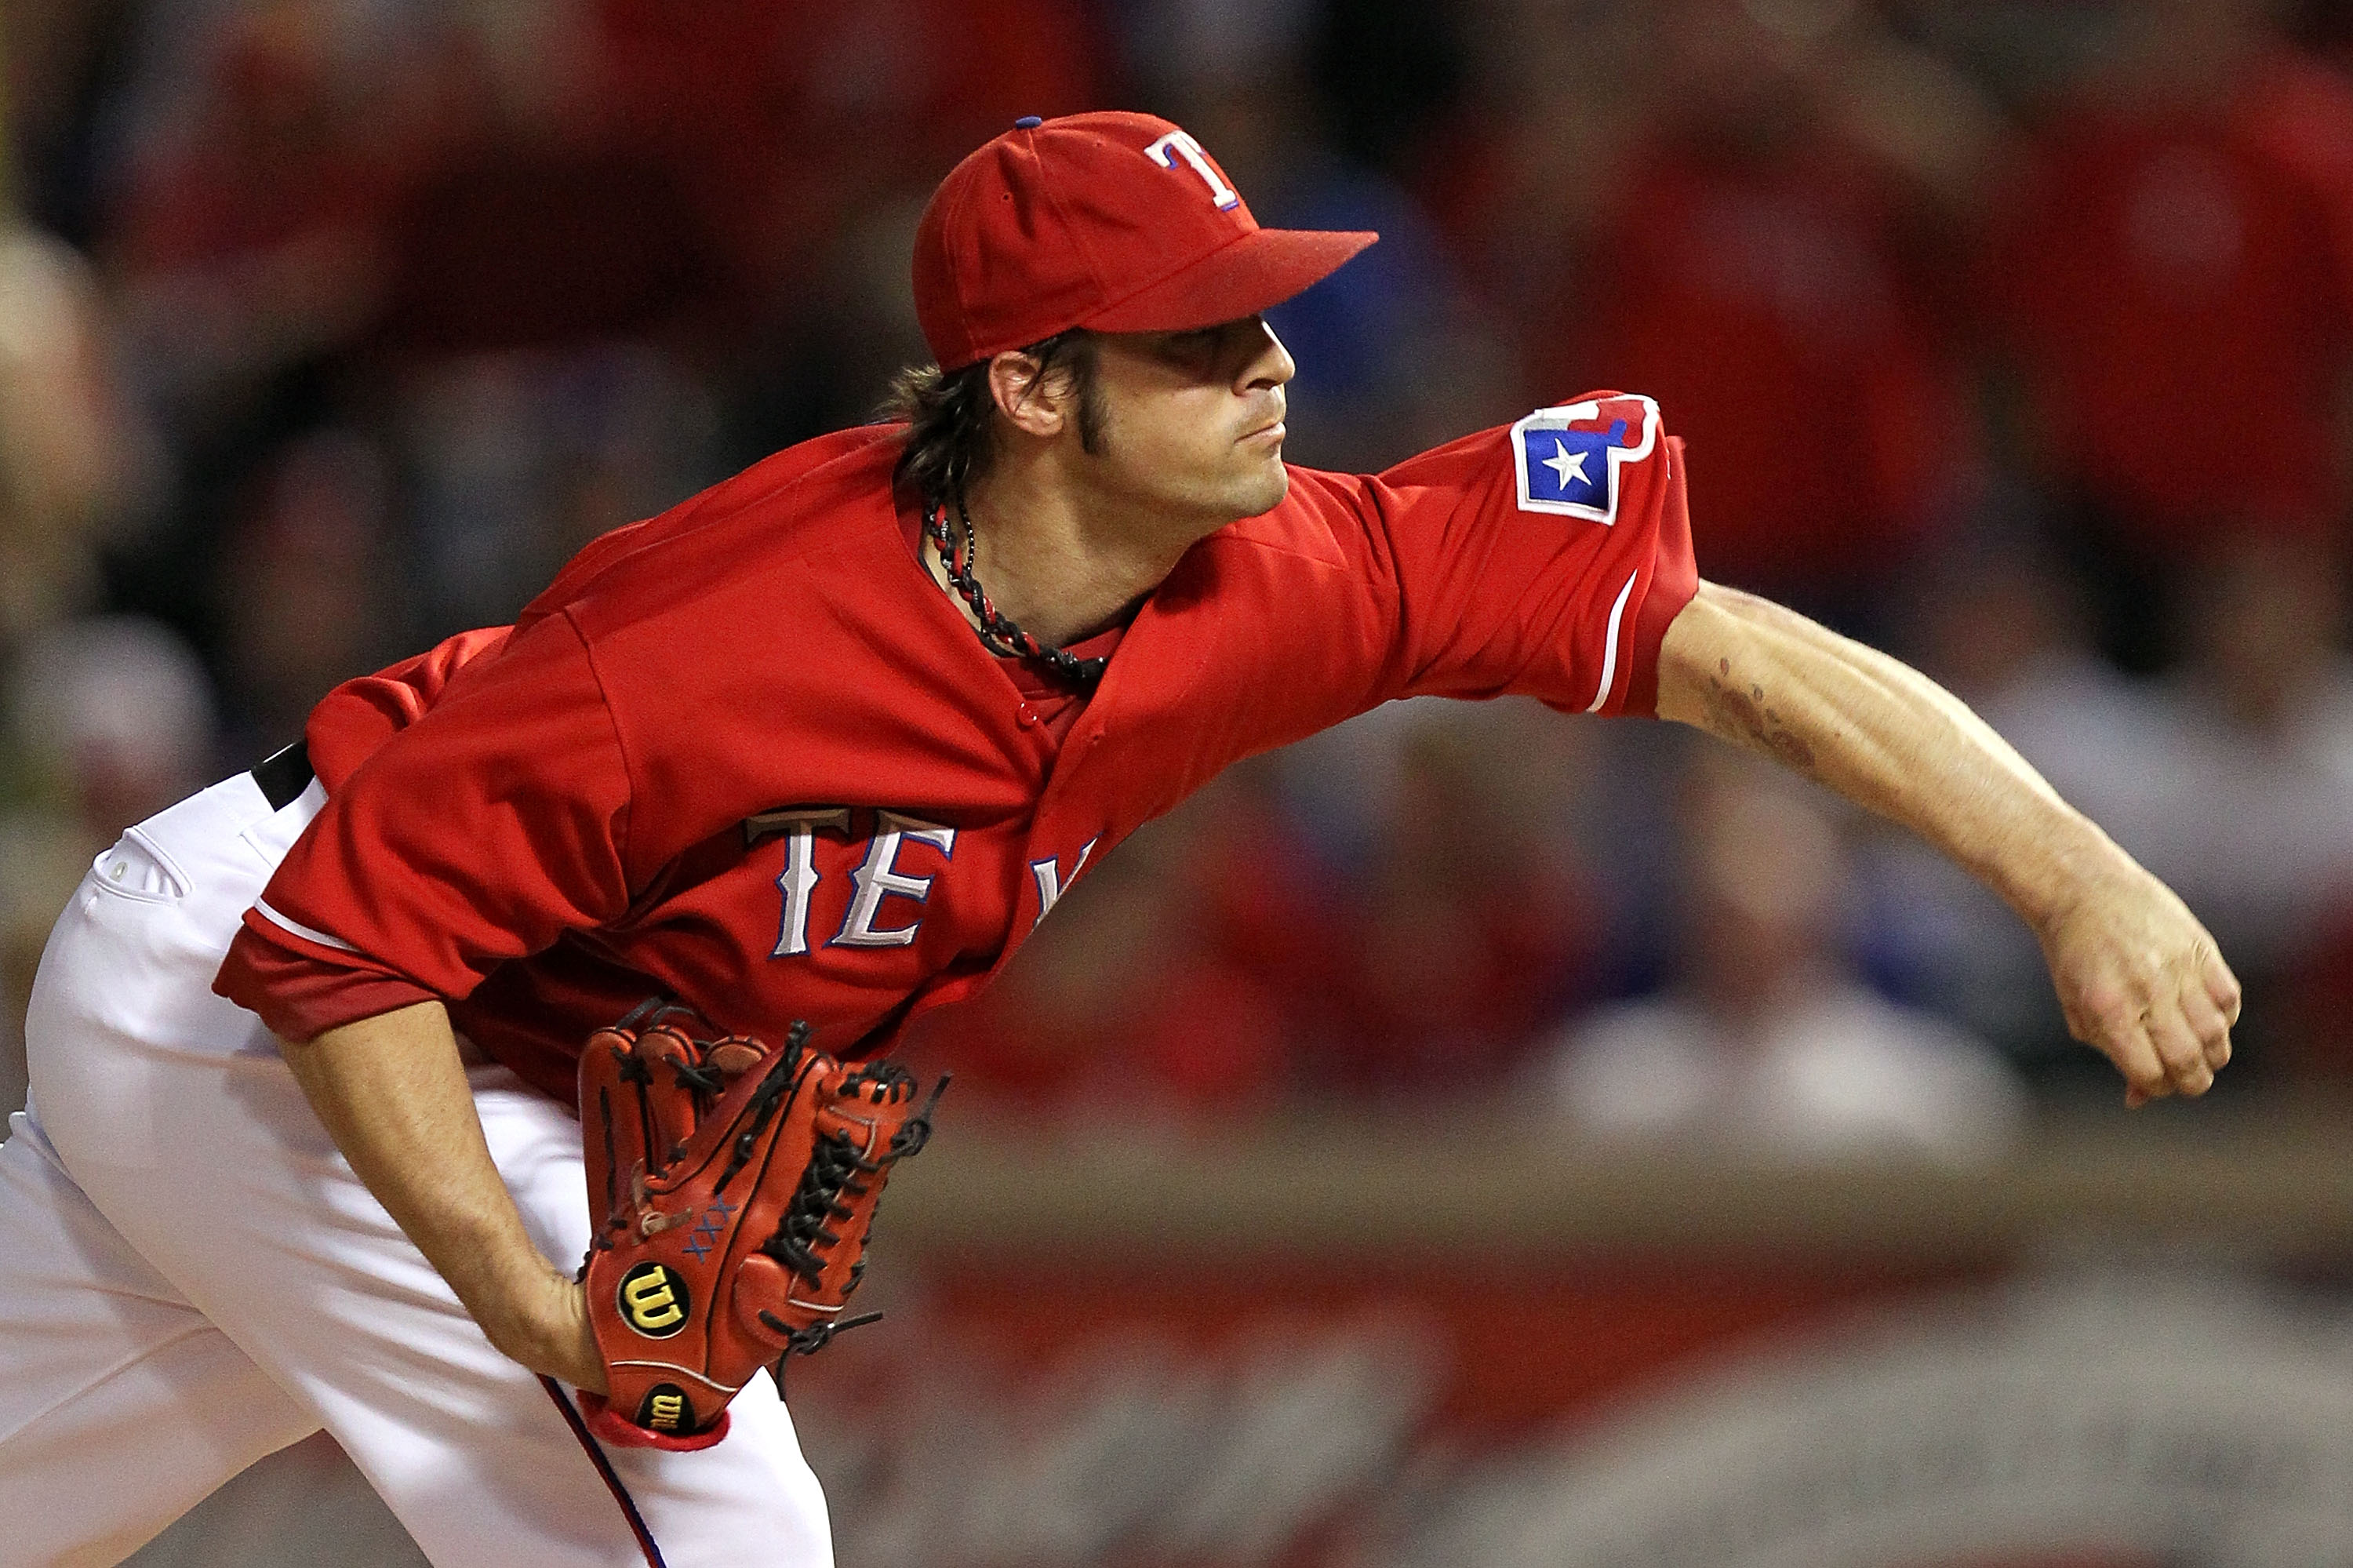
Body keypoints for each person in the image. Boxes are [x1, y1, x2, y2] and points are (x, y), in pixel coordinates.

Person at [0, 111, 2236, 1567]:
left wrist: (2073, 871)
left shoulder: (1290, 570)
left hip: (459, 1019)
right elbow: (348, 945)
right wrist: (521, 1295)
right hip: (270, 996)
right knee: (713, 1522)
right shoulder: (732, 637)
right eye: (1197, 337)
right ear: (1033, 389)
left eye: (1261, 309)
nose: (1272, 364)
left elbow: (1706, 636)